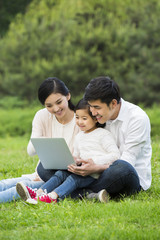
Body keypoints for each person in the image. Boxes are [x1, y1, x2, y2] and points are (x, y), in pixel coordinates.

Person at [16, 98, 120, 204]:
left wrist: (93, 162)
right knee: (60, 174)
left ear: (95, 119)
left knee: (73, 179)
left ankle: (52, 196)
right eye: (77, 117)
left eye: (84, 118)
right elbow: (77, 155)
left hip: (95, 174)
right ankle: (38, 192)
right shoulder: (79, 136)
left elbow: (115, 155)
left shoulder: (103, 134)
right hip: (81, 170)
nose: (79, 122)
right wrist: (74, 161)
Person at [68, 76, 152, 199]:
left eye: (97, 107)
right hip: (96, 174)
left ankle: (74, 191)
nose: (92, 112)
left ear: (113, 103)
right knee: (45, 168)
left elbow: (127, 163)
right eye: (91, 106)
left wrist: (95, 168)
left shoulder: (137, 118)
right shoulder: (98, 117)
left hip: (127, 177)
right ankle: (88, 193)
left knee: (121, 168)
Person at [0, 77, 79, 203]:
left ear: (68, 96)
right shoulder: (42, 116)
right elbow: (31, 150)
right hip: (43, 173)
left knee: (16, 190)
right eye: (49, 105)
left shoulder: (82, 120)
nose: (55, 109)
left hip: (66, 178)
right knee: (5, 184)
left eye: (59, 102)